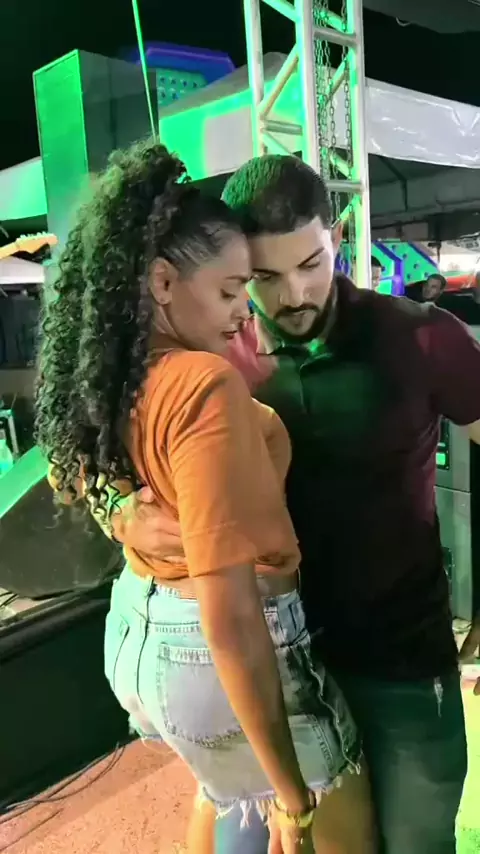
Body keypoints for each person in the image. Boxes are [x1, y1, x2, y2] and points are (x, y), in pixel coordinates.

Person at [109, 154, 480, 854]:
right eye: (265, 277)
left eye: (310, 263)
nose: (293, 294)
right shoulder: (216, 346)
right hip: (274, 662)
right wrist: (115, 503)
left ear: (336, 236)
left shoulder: (420, 335)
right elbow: (86, 440)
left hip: (400, 655)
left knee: (415, 843)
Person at [37, 141, 375, 854]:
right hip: (218, 647)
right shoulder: (202, 382)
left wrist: (118, 510)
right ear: (163, 282)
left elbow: (68, 466)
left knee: (220, 792)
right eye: (230, 291)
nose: (245, 311)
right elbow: (233, 620)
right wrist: (293, 799)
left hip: (139, 626)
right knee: (322, 810)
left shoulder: (114, 375)